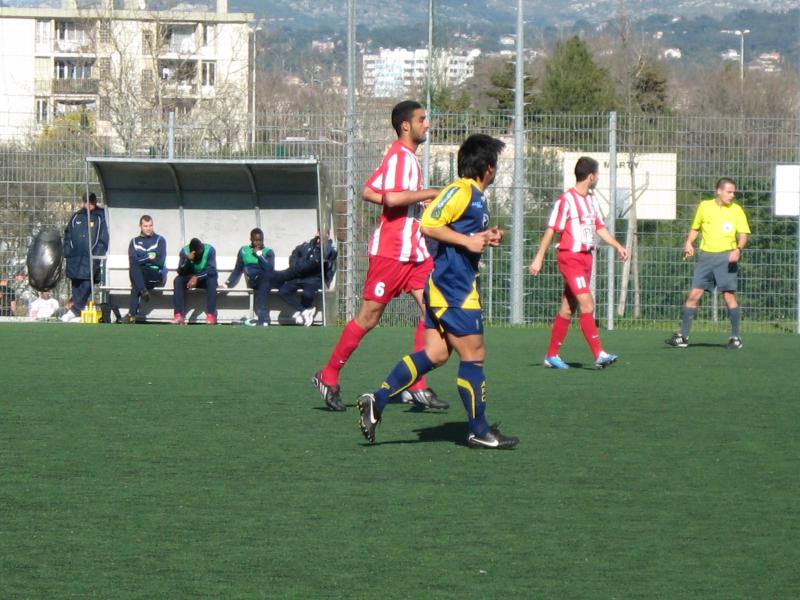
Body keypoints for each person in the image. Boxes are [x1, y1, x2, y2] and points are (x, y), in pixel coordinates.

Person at [357, 133, 517, 449]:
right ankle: (479, 430)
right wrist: (468, 241)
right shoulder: (460, 191)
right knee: (475, 355)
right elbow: (428, 224)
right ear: (488, 167)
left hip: (447, 285)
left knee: (436, 354)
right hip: (453, 289)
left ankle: (376, 401)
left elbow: (458, 232)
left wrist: (483, 236)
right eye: (495, 163)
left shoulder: (474, 196)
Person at [312, 100, 449, 412]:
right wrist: (430, 193)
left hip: (415, 253)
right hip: (390, 253)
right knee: (369, 317)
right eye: (422, 119)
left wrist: (420, 207)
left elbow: (371, 191)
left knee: (434, 310)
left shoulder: (407, 158)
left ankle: (417, 385)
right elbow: (386, 196)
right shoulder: (400, 157)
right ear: (406, 126)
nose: (427, 124)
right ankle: (328, 374)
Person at [529, 156, 628, 369]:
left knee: (567, 308)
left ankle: (551, 356)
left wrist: (617, 245)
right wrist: (539, 257)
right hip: (570, 258)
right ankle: (599, 354)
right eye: (597, 174)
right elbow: (551, 230)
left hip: (586, 259)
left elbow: (599, 227)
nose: (598, 177)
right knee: (587, 304)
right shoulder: (566, 200)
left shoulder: (591, 200)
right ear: (591, 176)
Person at [665, 177, 750, 350]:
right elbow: (696, 228)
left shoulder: (736, 210)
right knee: (694, 295)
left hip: (726, 258)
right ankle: (683, 337)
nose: (732, 195)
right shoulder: (705, 206)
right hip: (706, 258)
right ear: (718, 191)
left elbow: (743, 234)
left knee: (728, 297)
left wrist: (738, 249)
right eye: (729, 192)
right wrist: (689, 243)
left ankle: (735, 338)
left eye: (733, 192)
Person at [61, 192, 109, 323]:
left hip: (91, 257)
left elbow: (103, 238)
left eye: (92, 202)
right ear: (83, 202)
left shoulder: (101, 217)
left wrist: (98, 252)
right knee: (76, 283)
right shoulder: (76, 216)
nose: (89, 204)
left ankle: (75, 309)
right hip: (74, 256)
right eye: (87, 201)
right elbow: (68, 234)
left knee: (88, 282)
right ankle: (77, 313)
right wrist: (67, 250)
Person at [271, 233, 336, 327]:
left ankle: (303, 313)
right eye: (319, 232)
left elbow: (317, 261)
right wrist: (294, 264)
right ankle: (305, 311)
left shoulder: (330, 248)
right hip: (299, 276)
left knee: (307, 294)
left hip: (314, 279)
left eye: (323, 233)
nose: (319, 235)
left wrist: (298, 268)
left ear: (327, 235)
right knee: (283, 291)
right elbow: (295, 252)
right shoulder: (308, 244)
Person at [224, 228, 275, 326]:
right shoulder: (244, 250)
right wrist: (227, 284)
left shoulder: (268, 252)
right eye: (256, 240)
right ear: (250, 239)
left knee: (265, 280)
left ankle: (261, 320)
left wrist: (259, 255)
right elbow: (238, 269)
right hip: (254, 280)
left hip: (265, 279)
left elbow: (270, 269)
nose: (258, 243)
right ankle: (262, 320)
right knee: (264, 282)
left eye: (261, 240)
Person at [126, 214, 167, 323]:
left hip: (154, 275)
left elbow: (160, 261)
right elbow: (132, 261)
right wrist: (149, 258)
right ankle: (143, 291)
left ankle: (131, 315)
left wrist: (142, 260)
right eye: (145, 226)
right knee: (136, 272)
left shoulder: (160, 240)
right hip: (140, 275)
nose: (148, 228)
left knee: (136, 281)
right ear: (140, 226)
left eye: (150, 225)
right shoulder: (134, 241)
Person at [172, 237, 218, 325]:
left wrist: (197, 277)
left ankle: (211, 315)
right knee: (178, 280)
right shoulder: (184, 251)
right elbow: (180, 272)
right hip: (190, 278)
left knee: (212, 280)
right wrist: (187, 260)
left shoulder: (210, 250)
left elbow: (212, 270)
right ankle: (178, 315)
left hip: (205, 278)